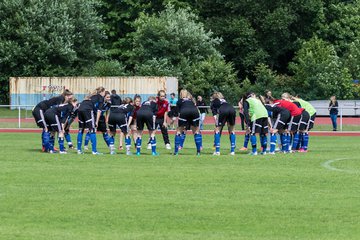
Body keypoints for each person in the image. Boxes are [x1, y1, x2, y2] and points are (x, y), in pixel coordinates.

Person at [76, 87, 106, 155]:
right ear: (102, 92)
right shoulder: (101, 98)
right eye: (104, 92)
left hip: (80, 109)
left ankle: (79, 150)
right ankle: (94, 151)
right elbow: (99, 111)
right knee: (92, 129)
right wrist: (96, 122)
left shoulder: (92, 96)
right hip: (88, 110)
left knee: (81, 130)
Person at [173, 89, 202, 156]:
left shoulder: (179, 101)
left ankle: (176, 152)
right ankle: (198, 152)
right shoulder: (191, 100)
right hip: (195, 112)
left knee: (179, 131)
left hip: (184, 112)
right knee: (196, 131)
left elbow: (177, 112)